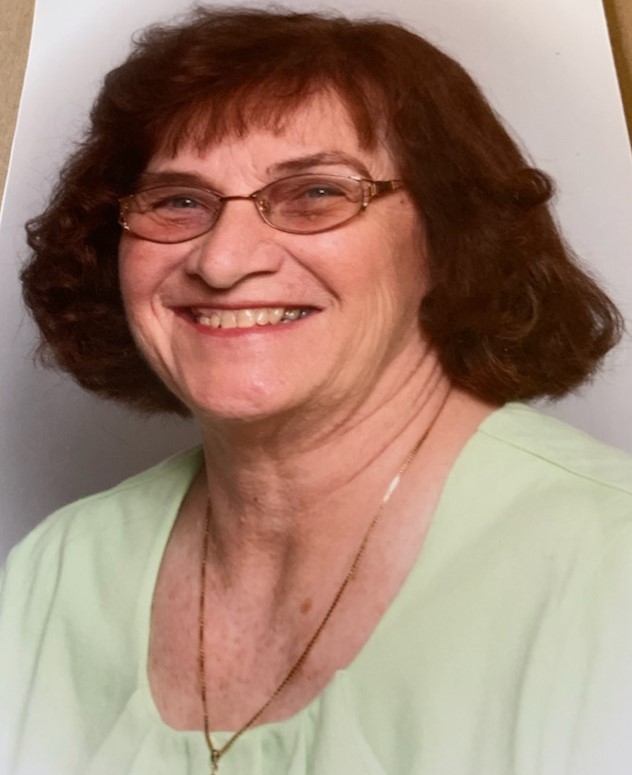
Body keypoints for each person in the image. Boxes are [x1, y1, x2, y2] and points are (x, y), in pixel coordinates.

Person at [1, 6, 631, 775]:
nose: (223, 261)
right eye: (179, 200)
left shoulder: (608, 565)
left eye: (316, 193)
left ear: (449, 237)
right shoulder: (55, 573)